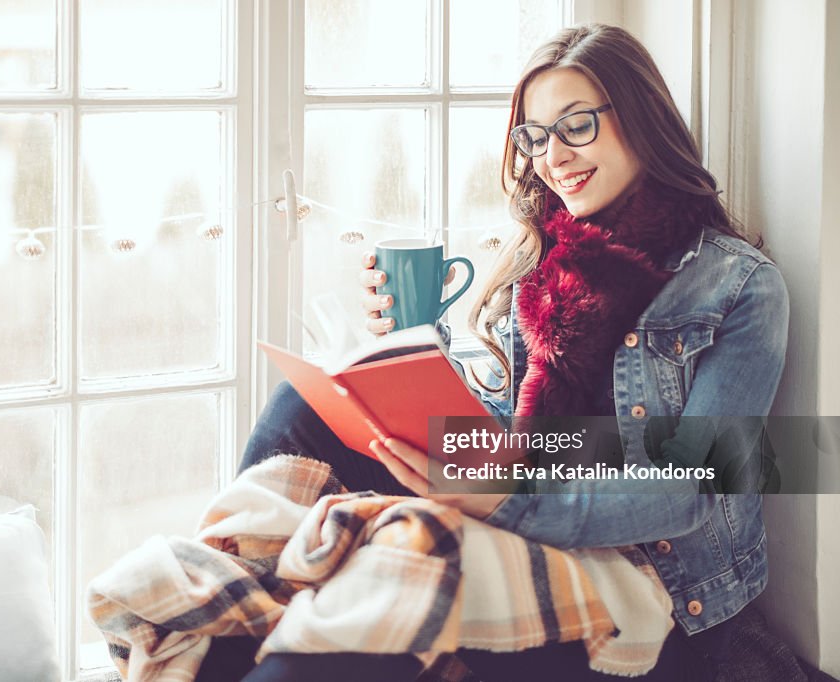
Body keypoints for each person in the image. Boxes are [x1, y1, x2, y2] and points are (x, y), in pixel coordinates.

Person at [196, 23, 789, 682]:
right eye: (534, 137)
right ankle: (228, 610)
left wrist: (505, 501)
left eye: (577, 125)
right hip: (528, 500)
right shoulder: (541, 259)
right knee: (302, 402)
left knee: (387, 578)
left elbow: (692, 492)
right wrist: (396, 354)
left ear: (644, 120)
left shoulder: (738, 285)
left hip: (651, 577)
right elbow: (513, 425)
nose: (552, 157)